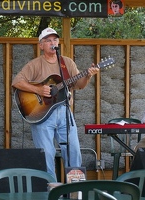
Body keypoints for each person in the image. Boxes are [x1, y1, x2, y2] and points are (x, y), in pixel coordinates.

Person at [12, 27, 99, 179]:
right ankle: (51, 193)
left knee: (73, 152)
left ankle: (75, 192)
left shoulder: (66, 62)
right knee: (46, 155)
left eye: (55, 39)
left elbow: (80, 84)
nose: (53, 43)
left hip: (65, 112)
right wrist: (38, 90)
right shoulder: (35, 64)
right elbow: (17, 82)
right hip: (42, 115)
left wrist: (88, 76)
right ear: (41, 45)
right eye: (48, 40)